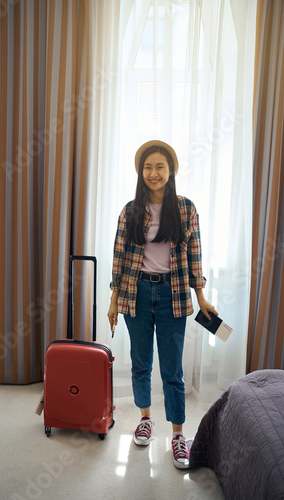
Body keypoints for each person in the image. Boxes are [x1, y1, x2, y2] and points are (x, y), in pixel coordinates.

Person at [107, 139, 218, 469]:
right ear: (141, 172)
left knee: (173, 371)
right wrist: (113, 300)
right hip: (135, 293)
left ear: (171, 171)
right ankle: (144, 419)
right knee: (141, 364)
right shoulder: (130, 210)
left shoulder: (185, 208)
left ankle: (179, 435)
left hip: (173, 295)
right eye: (148, 167)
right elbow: (119, 258)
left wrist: (201, 295)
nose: (153, 173)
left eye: (160, 167)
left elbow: (194, 254)